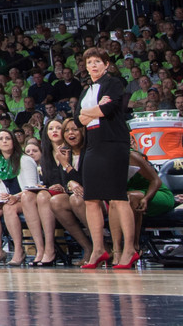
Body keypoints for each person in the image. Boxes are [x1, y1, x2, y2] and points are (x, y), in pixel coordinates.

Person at [76, 47, 134, 269]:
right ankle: (98, 249)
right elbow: (77, 119)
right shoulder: (86, 91)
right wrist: (95, 109)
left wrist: (90, 111)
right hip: (93, 145)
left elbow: (107, 110)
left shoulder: (113, 83)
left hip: (113, 143)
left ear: (106, 64)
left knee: (117, 197)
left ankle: (129, 249)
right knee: (91, 199)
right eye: (89, 62)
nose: (93, 65)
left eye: (97, 61)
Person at [0, 129, 47, 266]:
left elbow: (31, 188)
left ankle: (19, 250)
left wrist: (15, 197)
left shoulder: (25, 160)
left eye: (8, 138)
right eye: (1, 139)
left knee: (9, 209)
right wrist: (4, 196)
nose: (4, 141)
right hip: (11, 200)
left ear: (13, 141)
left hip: (28, 198)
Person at [110, 147, 174, 267]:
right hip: (127, 196)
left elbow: (156, 181)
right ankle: (117, 251)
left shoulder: (131, 155)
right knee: (115, 201)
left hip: (155, 194)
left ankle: (134, 247)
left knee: (130, 198)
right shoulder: (102, 158)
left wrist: (146, 198)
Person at [38, 119, 91, 260]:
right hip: (72, 194)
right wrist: (67, 182)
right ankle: (88, 247)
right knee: (55, 201)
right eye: (67, 130)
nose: (70, 133)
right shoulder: (58, 154)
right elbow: (67, 179)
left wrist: (66, 166)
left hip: (92, 195)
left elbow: (82, 180)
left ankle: (101, 245)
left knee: (75, 199)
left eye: (74, 130)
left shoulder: (88, 150)